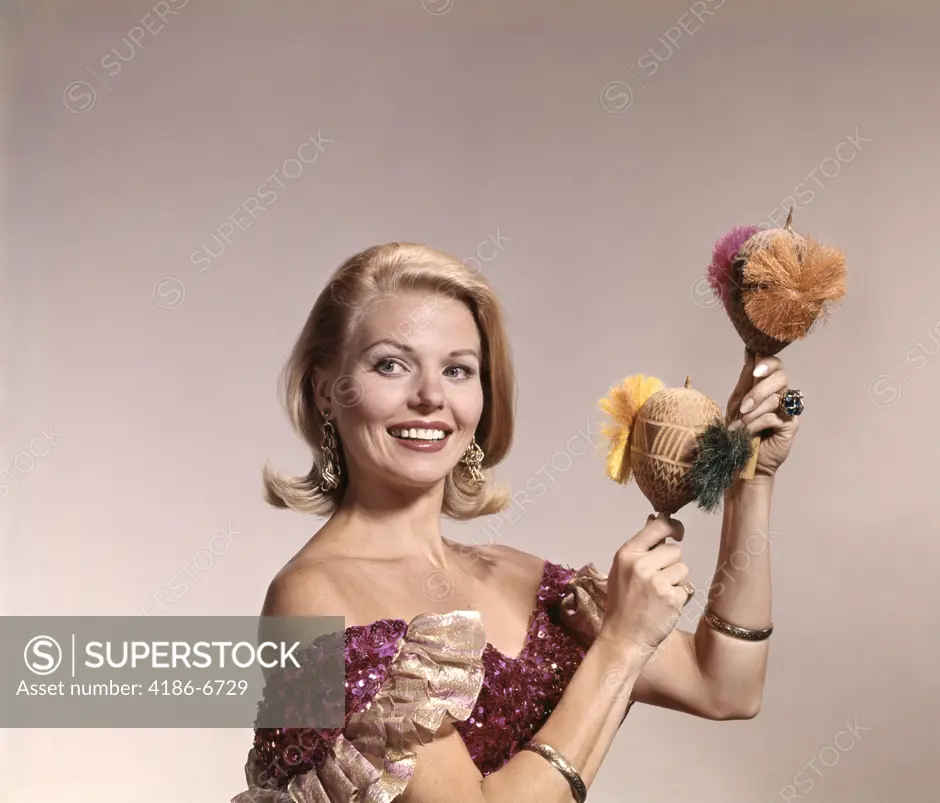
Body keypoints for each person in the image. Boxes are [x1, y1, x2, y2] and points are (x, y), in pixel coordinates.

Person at [231, 242, 800, 803]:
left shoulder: (518, 577)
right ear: (325, 390)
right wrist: (621, 643)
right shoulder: (309, 598)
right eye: (391, 365)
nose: (431, 396)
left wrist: (752, 480)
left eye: (457, 370)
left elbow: (726, 685)